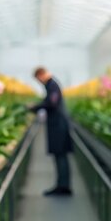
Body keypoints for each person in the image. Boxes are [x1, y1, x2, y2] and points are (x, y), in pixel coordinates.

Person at [29, 67, 73, 196]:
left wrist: (35, 107)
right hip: (57, 125)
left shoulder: (52, 85)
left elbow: (51, 103)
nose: (39, 82)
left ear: (41, 75)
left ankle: (63, 187)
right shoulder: (51, 84)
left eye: (38, 79)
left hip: (58, 126)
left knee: (60, 155)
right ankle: (61, 185)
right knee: (59, 155)